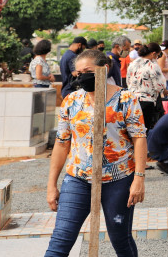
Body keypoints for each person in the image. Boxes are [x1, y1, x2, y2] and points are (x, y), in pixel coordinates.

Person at [44, 49, 146, 257]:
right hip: (78, 178)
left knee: (120, 238)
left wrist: (139, 178)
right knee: (61, 239)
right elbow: (62, 143)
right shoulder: (71, 101)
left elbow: (139, 138)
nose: (82, 77)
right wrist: (51, 185)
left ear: (104, 69)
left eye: (87, 71)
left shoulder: (126, 99)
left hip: (118, 178)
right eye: (78, 73)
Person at [126, 42, 167, 131]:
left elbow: (128, 81)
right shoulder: (153, 66)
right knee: (146, 130)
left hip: (132, 100)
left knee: (134, 129)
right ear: (153, 54)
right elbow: (159, 86)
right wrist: (165, 91)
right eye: (158, 55)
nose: (158, 57)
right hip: (147, 102)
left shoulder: (133, 64)